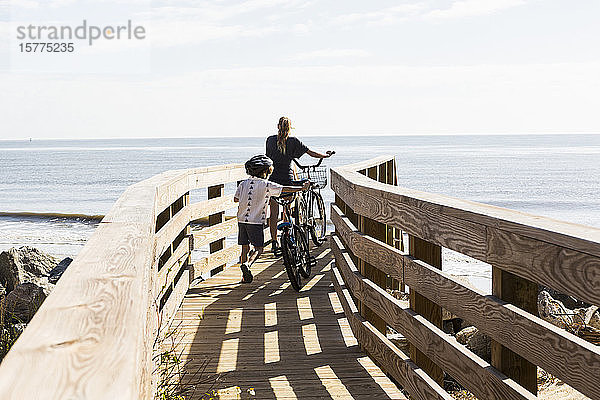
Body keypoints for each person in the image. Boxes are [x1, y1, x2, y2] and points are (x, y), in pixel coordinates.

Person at [234, 155, 309, 283]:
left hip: (241, 221)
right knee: (258, 248)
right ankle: (248, 265)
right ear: (265, 172)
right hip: (255, 222)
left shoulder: (243, 184)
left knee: (244, 248)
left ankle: (244, 275)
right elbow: (285, 189)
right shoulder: (266, 185)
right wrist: (302, 188)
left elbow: (236, 199)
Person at [266, 116, 333, 253]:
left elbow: (268, 158)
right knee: (287, 210)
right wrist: (325, 156)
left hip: (273, 181)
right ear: (290, 128)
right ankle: (289, 237)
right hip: (287, 180)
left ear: (278, 126)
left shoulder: (270, 140)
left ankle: (274, 241)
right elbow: (311, 153)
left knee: (273, 214)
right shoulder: (293, 142)